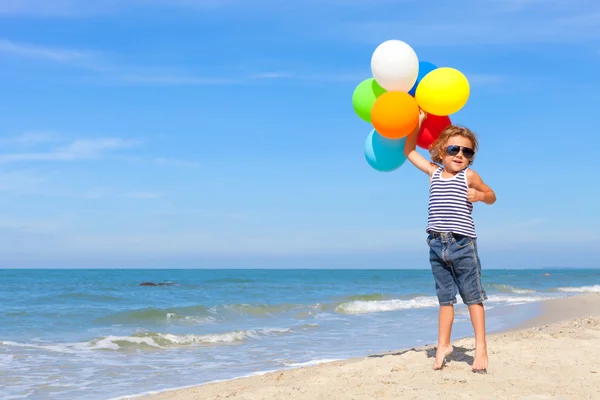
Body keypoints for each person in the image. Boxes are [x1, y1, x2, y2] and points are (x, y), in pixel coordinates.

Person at [403, 111, 496, 373]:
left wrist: (480, 195)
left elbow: (492, 195)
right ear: (440, 151)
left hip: (462, 244)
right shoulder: (433, 172)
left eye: (467, 152)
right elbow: (409, 151)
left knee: (473, 298)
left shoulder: (469, 177)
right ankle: (443, 345)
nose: (460, 156)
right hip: (435, 244)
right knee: (445, 299)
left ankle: (481, 347)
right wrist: (418, 122)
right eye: (454, 149)